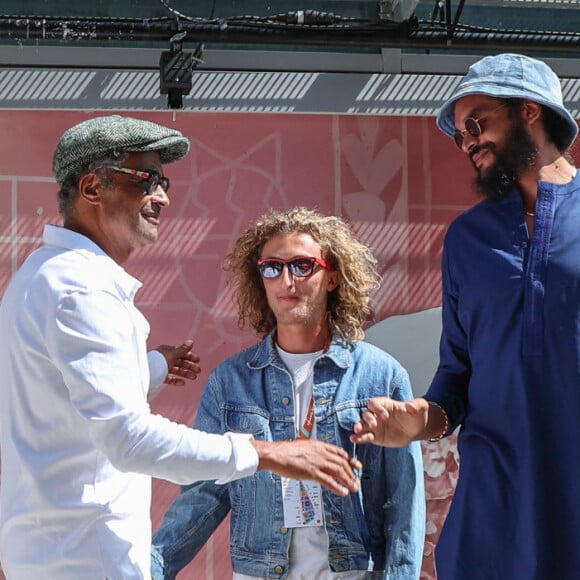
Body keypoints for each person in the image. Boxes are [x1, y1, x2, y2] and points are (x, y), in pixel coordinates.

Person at [0, 116, 362, 580]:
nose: (163, 196)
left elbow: (59, 397)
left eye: (164, 181)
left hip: (57, 553)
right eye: (146, 179)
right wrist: (269, 454)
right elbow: (128, 439)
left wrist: (149, 367)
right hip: (87, 559)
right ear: (92, 187)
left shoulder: (43, 275)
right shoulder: (82, 291)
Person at [351, 53, 580, 579]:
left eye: (476, 123)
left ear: (529, 111)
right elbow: (456, 377)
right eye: (459, 136)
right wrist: (421, 421)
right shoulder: (466, 240)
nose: (468, 142)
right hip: (495, 510)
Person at [152, 207, 426, 580]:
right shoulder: (230, 382)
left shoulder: (381, 374)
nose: (286, 280)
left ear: (332, 277)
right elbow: (204, 494)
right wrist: (150, 567)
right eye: (272, 267)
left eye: (302, 265)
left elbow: (404, 497)